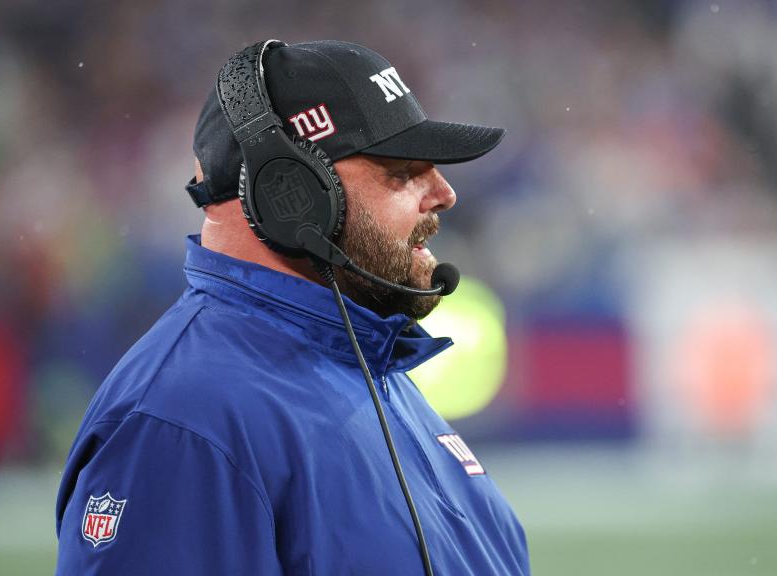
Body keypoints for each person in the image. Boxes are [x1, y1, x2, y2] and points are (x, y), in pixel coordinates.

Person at [54, 39, 530, 575]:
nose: (444, 193)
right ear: (292, 193)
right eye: (402, 171)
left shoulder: (368, 368)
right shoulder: (183, 421)